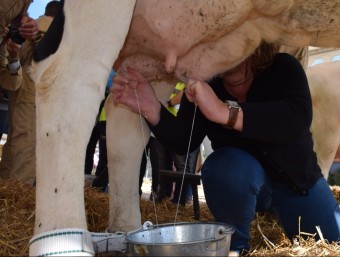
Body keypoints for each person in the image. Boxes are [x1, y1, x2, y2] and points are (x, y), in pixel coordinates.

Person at [111, 41, 340, 255]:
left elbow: (296, 119)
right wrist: (150, 105)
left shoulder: (282, 66)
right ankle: (235, 247)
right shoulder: (208, 83)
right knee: (225, 168)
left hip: (297, 183)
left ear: (250, 41)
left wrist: (223, 112)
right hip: (243, 181)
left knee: (332, 242)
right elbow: (183, 140)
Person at [0, 1, 59, 185]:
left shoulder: (30, 24)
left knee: (15, 145)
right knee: (27, 148)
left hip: (20, 89)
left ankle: (6, 194)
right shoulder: (52, 30)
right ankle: (15, 200)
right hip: (34, 96)